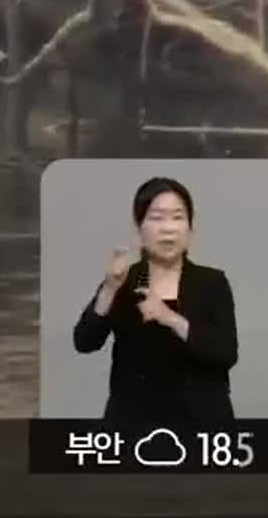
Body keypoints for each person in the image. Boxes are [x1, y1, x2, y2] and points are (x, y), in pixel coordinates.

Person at [72, 176, 238, 424]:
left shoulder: (212, 282)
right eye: (157, 218)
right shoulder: (123, 281)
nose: (168, 228)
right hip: (132, 425)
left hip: (203, 426)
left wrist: (170, 318)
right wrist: (108, 289)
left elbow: (225, 354)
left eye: (178, 217)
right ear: (140, 229)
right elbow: (84, 342)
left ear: (190, 229)